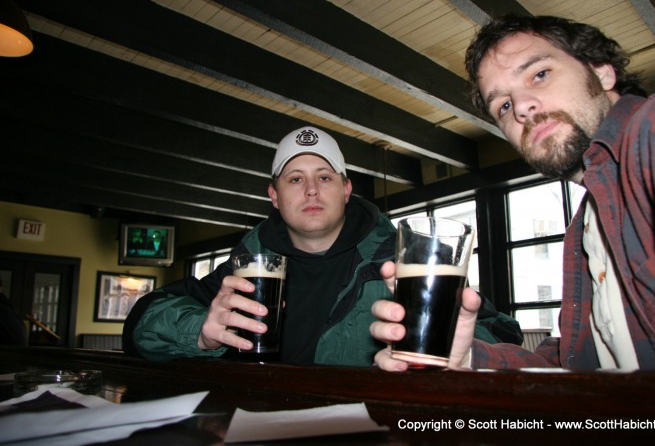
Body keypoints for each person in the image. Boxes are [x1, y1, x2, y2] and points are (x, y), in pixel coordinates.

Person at [371, 14, 655, 372]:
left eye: (539, 74)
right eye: (504, 106)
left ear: (602, 72)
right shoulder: (587, 224)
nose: (523, 107)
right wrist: (466, 358)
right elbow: (575, 366)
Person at [123, 126, 522, 366]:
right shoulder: (247, 268)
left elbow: (502, 333)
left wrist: (455, 345)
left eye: (325, 177)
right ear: (274, 196)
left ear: (346, 189)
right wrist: (200, 332)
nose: (311, 189)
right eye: (295, 179)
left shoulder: (404, 258)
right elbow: (143, 323)